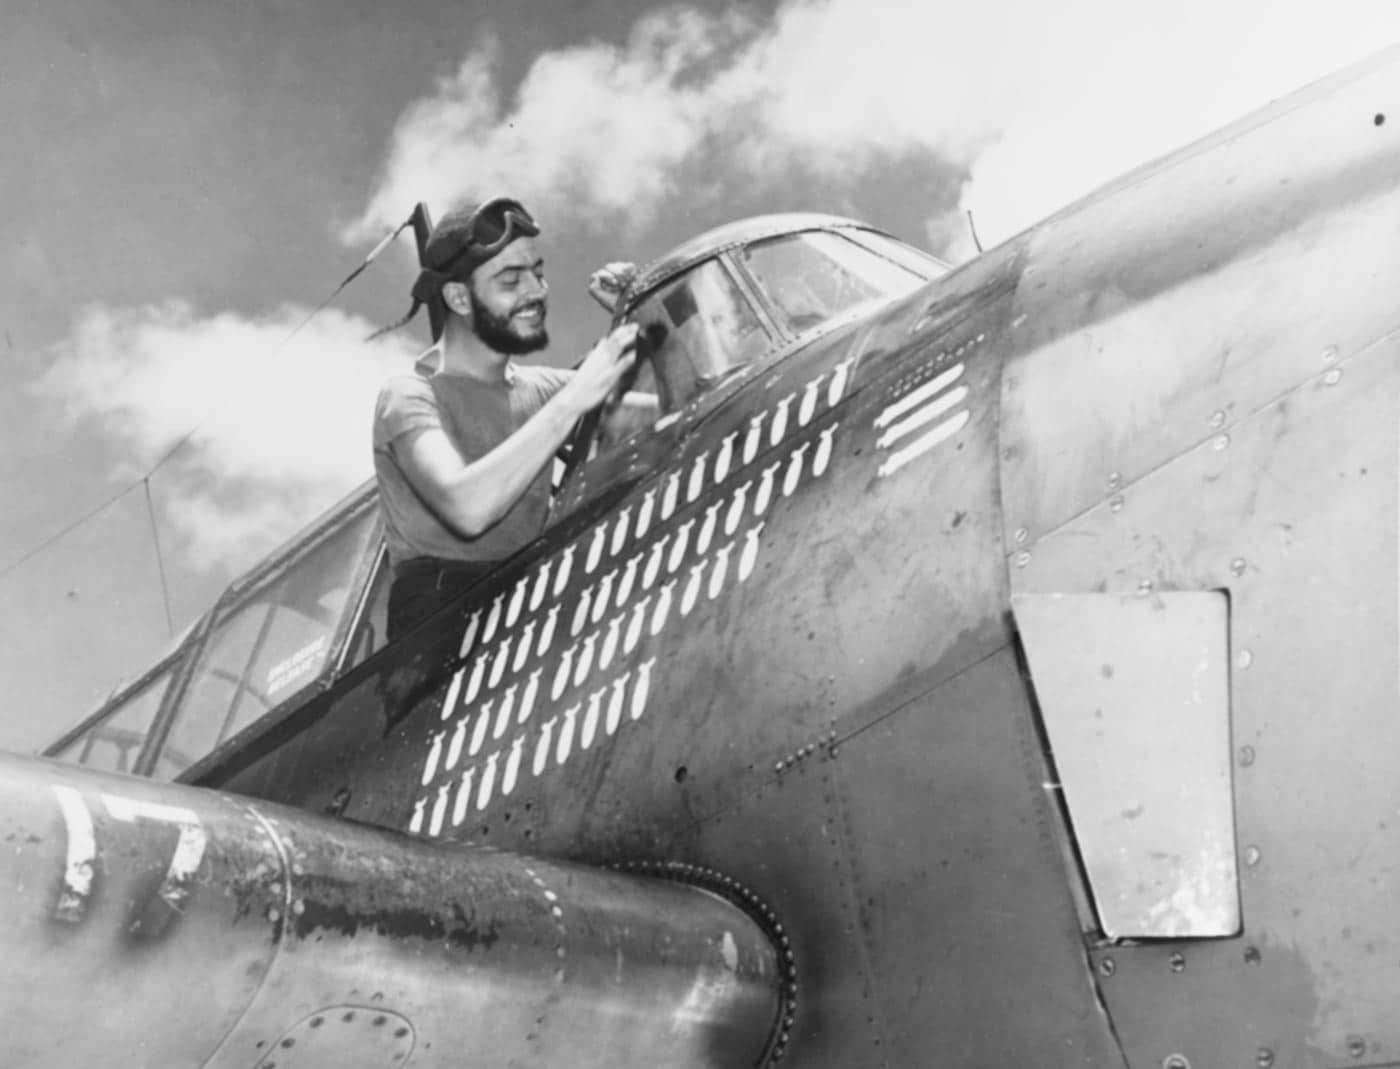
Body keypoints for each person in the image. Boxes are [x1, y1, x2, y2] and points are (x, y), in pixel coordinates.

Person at [372, 196, 642, 638]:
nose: (537, 291)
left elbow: (677, 400)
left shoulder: (540, 389)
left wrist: (636, 309)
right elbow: (467, 507)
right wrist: (574, 400)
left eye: (537, 273)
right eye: (511, 279)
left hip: (530, 610)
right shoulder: (408, 396)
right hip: (440, 648)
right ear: (458, 297)